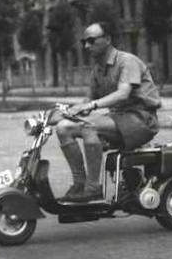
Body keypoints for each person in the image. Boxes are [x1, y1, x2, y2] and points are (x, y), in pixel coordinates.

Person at [56, 22, 161, 203]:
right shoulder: (97, 68)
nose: (86, 46)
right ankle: (79, 184)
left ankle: (93, 187)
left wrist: (91, 106)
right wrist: (64, 113)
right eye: (84, 42)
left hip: (141, 119)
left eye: (91, 41)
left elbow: (123, 93)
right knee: (63, 128)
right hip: (119, 119)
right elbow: (87, 102)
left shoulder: (127, 61)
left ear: (108, 39)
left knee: (88, 126)